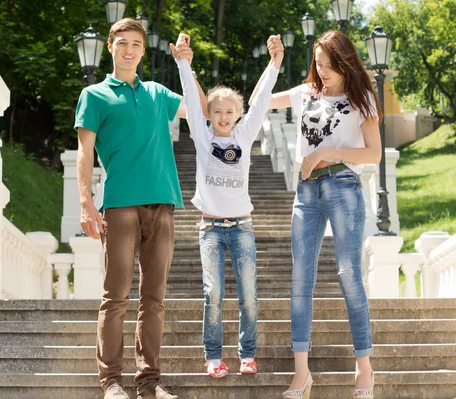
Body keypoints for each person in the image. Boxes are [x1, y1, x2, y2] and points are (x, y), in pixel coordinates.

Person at [74, 18, 203, 399]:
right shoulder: (94, 95)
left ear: (143, 51)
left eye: (136, 44)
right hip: (119, 206)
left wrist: (185, 64)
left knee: (155, 299)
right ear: (111, 47)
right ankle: (111, 381)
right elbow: (84, 153)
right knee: (116, 296)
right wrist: (85, 203)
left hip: (162, 203)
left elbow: (202, 111)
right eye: (122, 43)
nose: (129, 50)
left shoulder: (157, 92)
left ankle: (148, 382)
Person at [269, 30, 382, 399]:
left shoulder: (361, 98)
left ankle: (363, 368)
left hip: (344, 187)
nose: (324, 70)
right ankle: (301, 375)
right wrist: (274, 63)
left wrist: (329, 151)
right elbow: (257, 104)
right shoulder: (304, 94)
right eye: (318, 63)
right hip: (306, 191)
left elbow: (373, 154)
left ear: (345, 63)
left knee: (349, 274)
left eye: (330, 65)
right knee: (301, 280)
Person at [171, 33, 283, 378]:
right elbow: (191, 94)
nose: (222, 116)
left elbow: (262, 99)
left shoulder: (244, 136)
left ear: (237, 114)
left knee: (249, 293)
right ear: (208, 114)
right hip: (209, 228)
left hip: (242, 226)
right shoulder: (202, 137)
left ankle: (247, 354)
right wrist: (183, 62)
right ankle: (214, 357)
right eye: (216, 111)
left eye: (229, 111)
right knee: (213, 293)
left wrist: (275, 62)